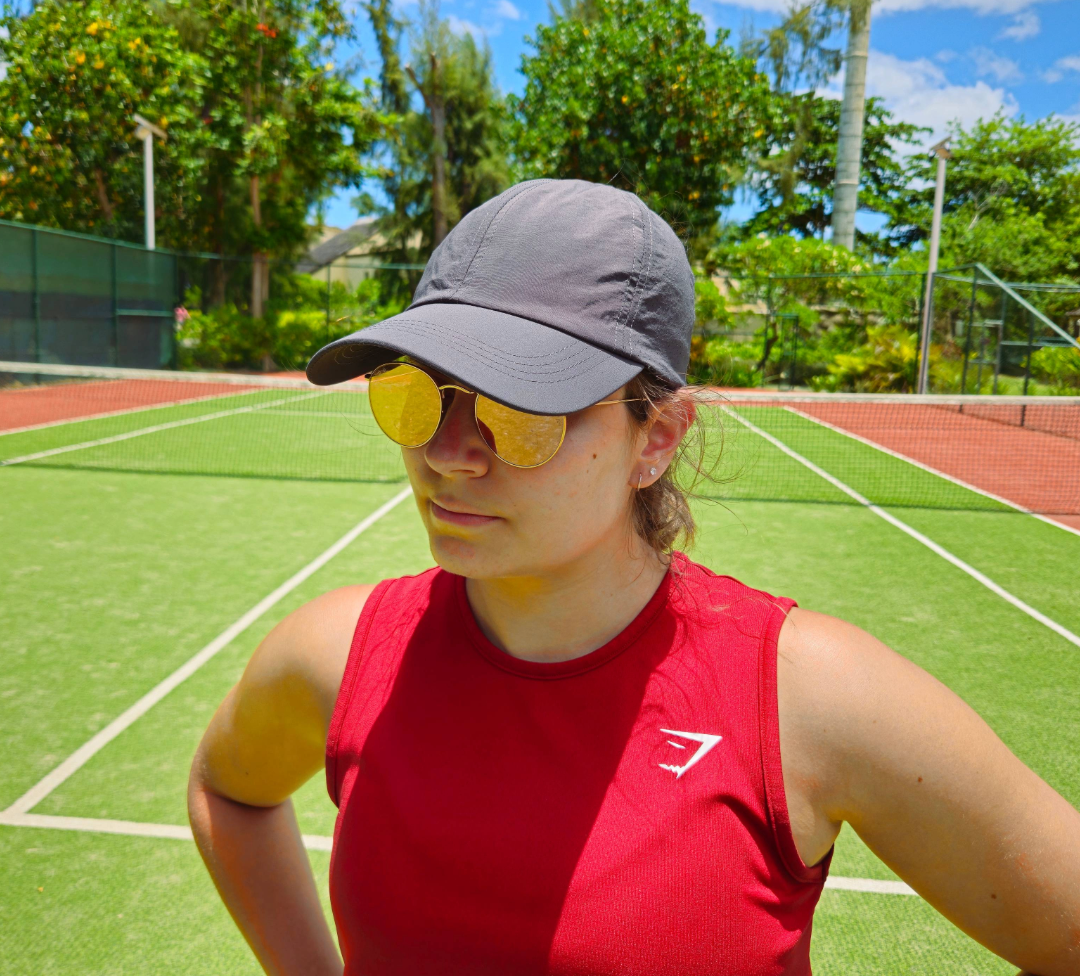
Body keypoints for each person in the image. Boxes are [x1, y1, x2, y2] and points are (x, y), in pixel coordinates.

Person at [189, 179, 1080, 976]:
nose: (448, 453)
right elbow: (226, 790)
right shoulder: (337, 659)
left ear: (655, 437)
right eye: (417, 392)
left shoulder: (809, 699)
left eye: (519, 410)